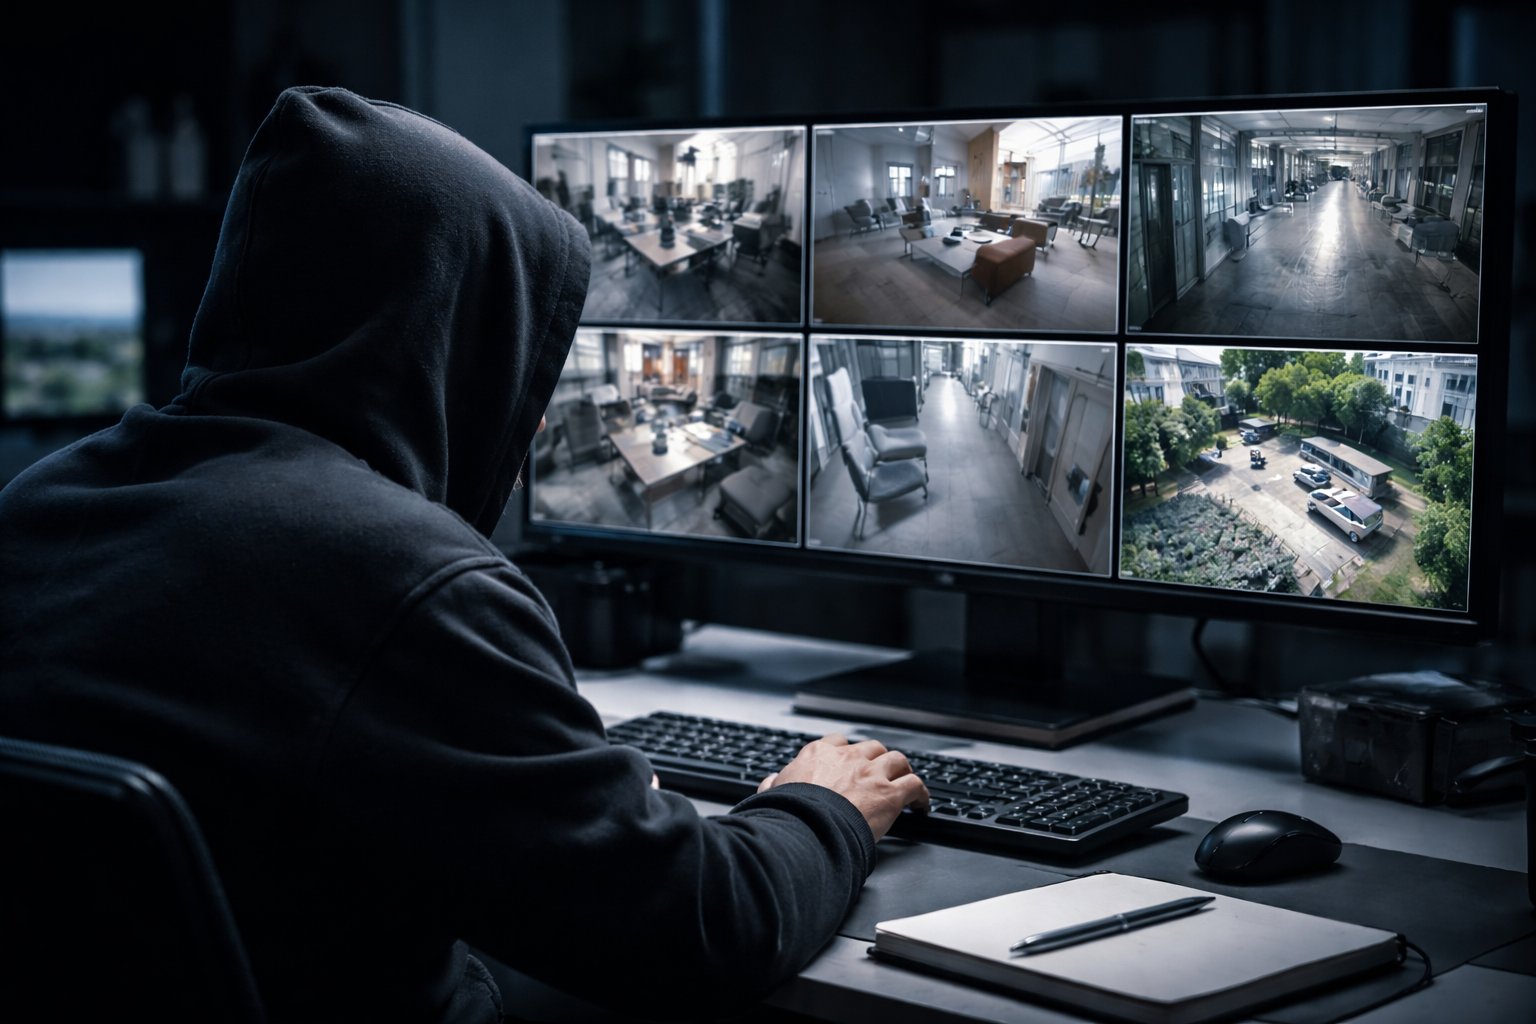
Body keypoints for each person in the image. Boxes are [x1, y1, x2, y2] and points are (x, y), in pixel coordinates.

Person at [0, 86, 928, 1023]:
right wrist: (825, 802)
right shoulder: (400, 576)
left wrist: (562, 786)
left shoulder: (46, 500)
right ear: (465, 338)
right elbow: (708, 928)